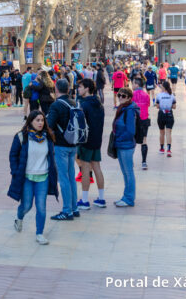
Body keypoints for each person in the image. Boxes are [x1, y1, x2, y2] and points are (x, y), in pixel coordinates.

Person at [8, 110, 58, 245]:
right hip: (27, 177)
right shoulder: (21, 137)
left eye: (42, 120)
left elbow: (51, 157)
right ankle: (19, 217)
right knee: (27, 205)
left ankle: (39, 233)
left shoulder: (48, 137)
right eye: (37, 120)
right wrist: (15, 171)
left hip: (43, 177)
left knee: (41, 207)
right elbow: (13, 155)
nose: (40, 123)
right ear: (30, 121)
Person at [47, 79, 79, 220]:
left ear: (56, 89)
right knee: (71, 177)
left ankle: (67, 211)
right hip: (73, 144)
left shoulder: (56, 105)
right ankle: (74, 207)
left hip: (61, 145)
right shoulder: (74, 102)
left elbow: (49, 125)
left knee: (64, 178)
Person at [76, 79, 106, 210]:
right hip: (97, 140)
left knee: (85, 169)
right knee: (97, 168)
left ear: (87, 88)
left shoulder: (84, 105)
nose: (78, 89)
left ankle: (84, 200)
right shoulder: (99, 104)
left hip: (86, 141)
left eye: (80, 87)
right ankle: (101, 198)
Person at [112, 87, 138, 207]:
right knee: (125, 173)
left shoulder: (129, 110)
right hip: (121, 144)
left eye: (123, 96)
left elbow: (131, 131)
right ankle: (126, 196)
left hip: (126, 145)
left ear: (129, 98)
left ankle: (129, 198)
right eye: (119, 95)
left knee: (128, 173)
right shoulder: (123, 108)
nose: (120, 98)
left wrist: (120, 138)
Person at [155, 81, 176, 157]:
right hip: (169, 114)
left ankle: (161, 149)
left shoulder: (159, 95)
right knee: (168, 132)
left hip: (161, 114)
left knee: (161, 132)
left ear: (163, 87)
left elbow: (157, 106)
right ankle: (169, 150)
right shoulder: (172, 95)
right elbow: (174, 107)